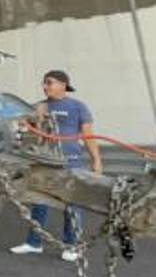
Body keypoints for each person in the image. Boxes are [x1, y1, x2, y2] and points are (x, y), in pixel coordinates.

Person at [9, 69, 102, 261]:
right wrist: (32, 119)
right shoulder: (39, 107)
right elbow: (24, 129)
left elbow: (88, 135)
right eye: (43, 83)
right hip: (45, 161)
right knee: (39, 202)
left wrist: (96, 160)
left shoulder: (78, 107)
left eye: (49, 83)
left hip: (71, 162)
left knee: (72, 204)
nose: (45, 87)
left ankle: (72, 246)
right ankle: (34, 243)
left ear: (63, 85)